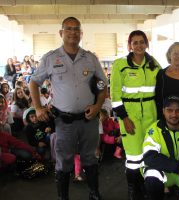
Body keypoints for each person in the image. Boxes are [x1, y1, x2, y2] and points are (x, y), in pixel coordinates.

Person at [29, 17, 108, 200]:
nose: (73, 32)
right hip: (64, 121)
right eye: (69, 29)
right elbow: (34, 82)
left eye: (76, 29)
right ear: (61, 33)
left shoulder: (90, 58)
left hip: (89, 119)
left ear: (81, 33)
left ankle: (94, 193)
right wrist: (38, 108)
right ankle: (63, 197)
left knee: (90, 158)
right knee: (64, 162)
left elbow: (103, 84)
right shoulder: (50, 58)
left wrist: (98, 106)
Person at [110, 30, 161, 199]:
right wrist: (124, 118)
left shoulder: (154, 64)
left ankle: (148, 187)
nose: (139, 46)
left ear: (147, 44)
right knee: (133, 157)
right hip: (130, 117)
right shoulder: (120, 65)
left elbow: (162, 88)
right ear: (130, 45)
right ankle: (133, 190)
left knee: (150, 153)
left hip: (151, 116)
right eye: (135, 42)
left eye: (142, 42)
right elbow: (115, 97)